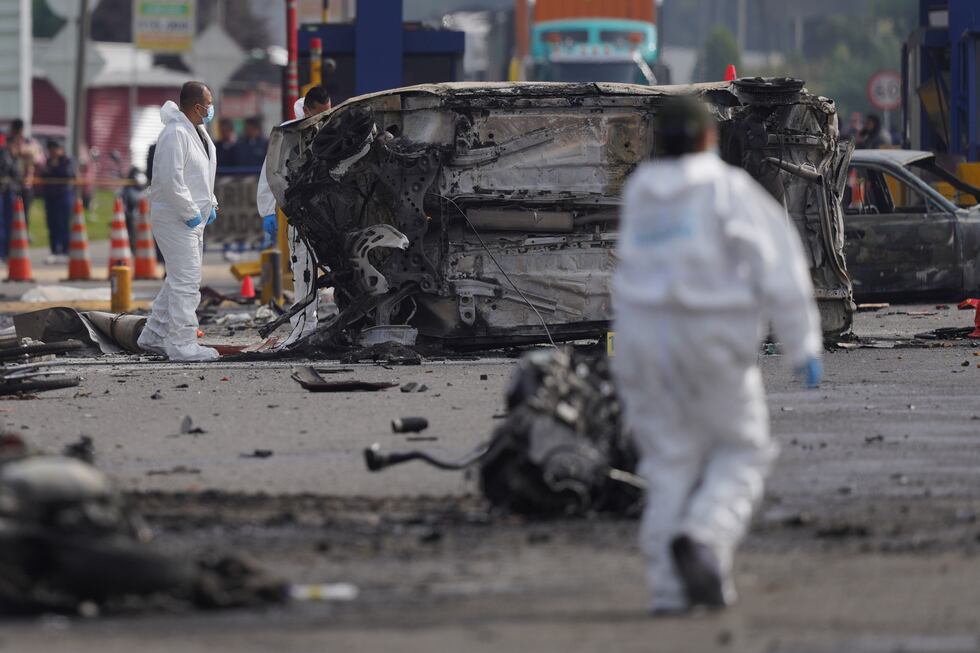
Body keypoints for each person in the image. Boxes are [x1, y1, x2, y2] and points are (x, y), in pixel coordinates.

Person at [612, 96, 823, 614]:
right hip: (713, 343)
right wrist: (802, 345)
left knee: (669, 465)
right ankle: (705, 535)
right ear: (709, 138)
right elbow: (780, 266)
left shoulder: (640, 192)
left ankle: (670, 591)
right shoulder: (729, 190)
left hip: (644, 347)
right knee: (743, 451)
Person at [137, 81, 221, 362]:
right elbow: (171, 180)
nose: (212, 108)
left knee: (177, 279)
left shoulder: (196, 131)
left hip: (188, 219)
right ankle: (183, 344)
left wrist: (210, 203)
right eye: (209, 104)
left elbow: (199, 176)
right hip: (175, 218)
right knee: (187, 282)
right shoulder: (175, 133)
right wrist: (190, 212)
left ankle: (153, 335)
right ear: (197, 107)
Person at [256, 86, 331, 347]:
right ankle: (303, 330)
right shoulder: (288, 134)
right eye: (320, 112)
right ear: (307, 110)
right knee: (304, 273)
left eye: (328, 111)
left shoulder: (331, 127)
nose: (325, 116)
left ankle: (350, 323)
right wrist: (268, 211)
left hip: (332, 214)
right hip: (302, 215)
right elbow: (269, 172)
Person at [40, 140, 76, 263]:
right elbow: (44, 174)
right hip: (51, 197)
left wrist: (55, 167)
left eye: (54, 149)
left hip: (64, 196)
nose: (52, 152)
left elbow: (68, 174)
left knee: (63, 224)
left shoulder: (67, 160)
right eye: (50, 150)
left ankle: (65, 250)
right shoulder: (48, 161)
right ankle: (54, 250)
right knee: (52, 224)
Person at [7, 119, 43, 232]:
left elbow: (38, 158)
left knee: (24, 214)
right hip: (10, 186)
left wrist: (22, 151)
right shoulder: (8, 141)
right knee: (10, 215)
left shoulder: (30, 142)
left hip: (26, 185)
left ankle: (23, 235)